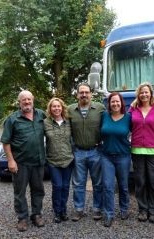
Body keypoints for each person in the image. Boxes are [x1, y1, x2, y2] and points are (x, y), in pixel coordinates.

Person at [0, 90, 46, 232]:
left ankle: (36, 215)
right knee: (20, 192)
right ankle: (22, 218)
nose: (27, 102)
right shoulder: (12, 119)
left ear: (33, 100)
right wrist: (10, 161)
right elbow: (6, 142)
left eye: (29, 99)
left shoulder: (41, 115)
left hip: (38, 162)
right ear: (19, 102)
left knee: (38, 190)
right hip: (21, 163)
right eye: (24, 100)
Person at [68, 83, 105, 221]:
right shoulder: (70, 110)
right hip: (78, 151)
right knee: (78, 183)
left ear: (91, 94)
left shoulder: (100, 108)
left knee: (98, 182)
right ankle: (78, 209)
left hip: (96, 151)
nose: (84, 95)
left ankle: (97, 209)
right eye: (81, 92)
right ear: (77, 94)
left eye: (86, 92)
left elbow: (106, 126)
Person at [128, 82, 154, 223]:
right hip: (137, 150)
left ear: (151, 93)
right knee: (140, 181)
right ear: (138, 94)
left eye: (146, 92)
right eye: (141, 92)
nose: (144, 94)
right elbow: (126, 125)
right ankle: (142, 209)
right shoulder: (133, 110)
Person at [99, 92, 131, 227]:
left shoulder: (129, 118)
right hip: (106, 156)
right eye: (112, 102)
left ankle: (124, 209)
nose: (115, 104)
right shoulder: (104, 116)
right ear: (109, 104)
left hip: (123, 156)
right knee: (108, 186)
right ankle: (109, 214)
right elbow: (98, 131)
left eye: (117, 101)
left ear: (121, 103)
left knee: (123, 186)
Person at [44, 98, 74, 223]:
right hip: (53, 160)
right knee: (57, 186)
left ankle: (63, 210)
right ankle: (57, 211)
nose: (56, 108)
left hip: (68, 159)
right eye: (53, 106)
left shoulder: (69, 122)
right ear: (50, 109)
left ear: (62, 108)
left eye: (58, 106)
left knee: (66, 187)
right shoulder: (45, 123)